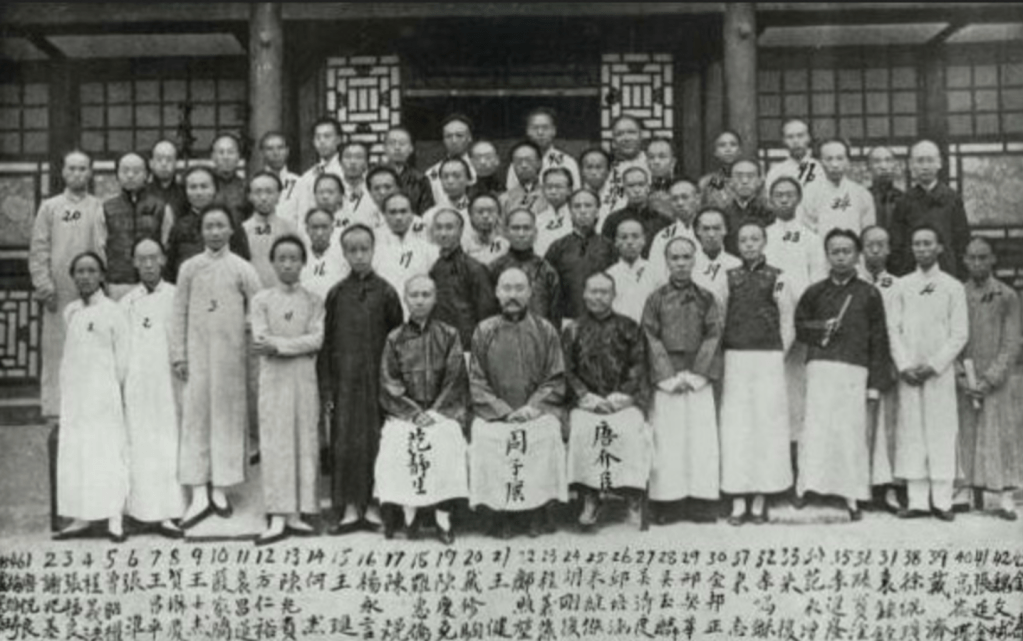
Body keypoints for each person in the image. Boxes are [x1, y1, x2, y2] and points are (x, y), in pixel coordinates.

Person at [171, 205, 263, 530]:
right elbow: (178, 312)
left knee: (226, 421)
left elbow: (259, 307)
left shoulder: (242, 268)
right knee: (196, 421)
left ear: (230, 230)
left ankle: (221, 489)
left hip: (230, 360)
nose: (214, 232)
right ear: (201, 231)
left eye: (220, 226)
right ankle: (198, 491)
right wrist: (179, 355)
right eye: (208, 226)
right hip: (196, 358)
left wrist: (246, 330)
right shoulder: (189, 268)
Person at [794, 229, 892, 520]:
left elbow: (879, 340)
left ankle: (852, 493)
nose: (840, 257)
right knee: (816, 429)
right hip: (820, 368)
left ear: (857, 255)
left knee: (850, 432)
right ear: (827, 256)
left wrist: (875, 385)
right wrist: (822, 327)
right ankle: (806, 486)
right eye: (835, 252)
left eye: (847, 251)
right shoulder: (814, 292)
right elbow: (799, 327)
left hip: (854, 369)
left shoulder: (869, 293)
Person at [469, 267, 567, 538]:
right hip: (496, 414)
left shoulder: (545, 330)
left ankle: (536, 510)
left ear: (530, 293)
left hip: (535, 413)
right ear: (497, 293)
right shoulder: (484, 330)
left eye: (519, 288)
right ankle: (500, 513)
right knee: (485, 437)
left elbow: (555, 377)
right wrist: (502, 411)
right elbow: (476, 380)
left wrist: (532, 408)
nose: (513, 295)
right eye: (507, 288)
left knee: (547, 433)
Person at [318, 225, 404, 532]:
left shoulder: (387, 292)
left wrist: (394, 385)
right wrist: (328, 389)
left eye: (364, 249)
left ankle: (375, 507)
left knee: (376, 443)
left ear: (373, 249)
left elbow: (398, 341)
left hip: (377, 383)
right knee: (345, 445)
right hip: (344, 384)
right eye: (352, 250)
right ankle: (350, 509)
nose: (359, 256)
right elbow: (327, 343)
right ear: (343, 253)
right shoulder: (337, 294)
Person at [377, 275, 470, 544]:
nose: (420, 300)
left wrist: (436, 412)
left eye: (426, 294)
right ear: (405, 299)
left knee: (448, 438)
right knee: (397, 440)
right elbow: (389, 381)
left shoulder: (449, 335)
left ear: (435, 298)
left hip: (442, 412)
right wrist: (413, 413)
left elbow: (455, 378)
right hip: (405, 414)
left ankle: (443, 517)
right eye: (414, 295)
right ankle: (410, 513)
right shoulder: (394, 338)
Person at [888, 225, 968, 520]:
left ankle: (943, 501)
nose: (922, 249)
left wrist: (934, 365)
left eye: (927, 243)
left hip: (939, 373)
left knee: (941, 431)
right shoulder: (902, 285)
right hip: (910, 372)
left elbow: (959, 333)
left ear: (940, 248)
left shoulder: (952, 286)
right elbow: (893, 329)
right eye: (917, 244)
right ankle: (917, 501)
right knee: (912, 432)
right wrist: (904, 365)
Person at [719, 220, 796, 525]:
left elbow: (788, 321)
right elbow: (720, 318)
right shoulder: (728, 278)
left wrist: (778, 355)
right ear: (737, 245)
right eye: (744, 240)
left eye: (755, 239)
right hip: (736, 359)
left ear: (764, 242)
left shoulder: (779, 277)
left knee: (766, 425)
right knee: (737, 426)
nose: (749, 244)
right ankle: (738, 498)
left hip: (768, 360)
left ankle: (762, 496)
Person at [642, 237, 723, 523]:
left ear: (694, 260)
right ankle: (669, 502)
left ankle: (701, 500)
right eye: (675, 258)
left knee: (700, 440)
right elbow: (650, 336)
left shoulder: (707, 297)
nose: (680, 263)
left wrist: (698, 375)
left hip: (698, 376)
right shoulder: (656, 299)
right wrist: (667, 376)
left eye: (686, 257)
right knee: (669, 440)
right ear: (666, 261)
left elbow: (714, 335)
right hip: (668, 378)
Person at [251, 235, 324, 545]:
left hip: (304, 380)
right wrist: (293, 346)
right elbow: (260, 340)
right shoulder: (262, 300)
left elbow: (317, 340)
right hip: (274, 381)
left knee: (304, 442)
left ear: (303, 262)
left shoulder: (314, 300)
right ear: (273, 262)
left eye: (294, 258)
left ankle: (298, 513)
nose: (288, 264)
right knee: (276, 443)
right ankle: (278, 515)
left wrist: (279, 346)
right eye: (282, 258)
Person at [53, 252, 130, 542]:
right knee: (76, 453)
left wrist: (111, 391)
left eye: (91, 270)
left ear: (101, 275)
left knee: (106, 452)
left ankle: (114, 518)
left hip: (103, 396)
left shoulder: (113, 311)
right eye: (80, 271)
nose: (85, 276)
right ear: (73, 276)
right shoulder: (70, 311)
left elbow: (122, 359)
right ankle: (80, 516)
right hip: (76, 396)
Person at [564, 272, 650, 529]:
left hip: (622, 401)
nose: (598, 297)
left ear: (614, 295)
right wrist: (585, 396)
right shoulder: (572, 329)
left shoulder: (629, 327)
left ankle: (632, 497)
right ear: (584, 294)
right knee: (582, 431)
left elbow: (639, 364)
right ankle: (590, 497)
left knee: (631, 431)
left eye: (604, 292)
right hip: (586, 403)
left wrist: (620, 396)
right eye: (593, 291)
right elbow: (566, 370)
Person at [28, 150, 106, 419]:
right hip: (59, 292)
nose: (77, 174)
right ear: (63, 172)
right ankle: (56, 413)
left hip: (90, 291)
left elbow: (102, 249)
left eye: (82, 168)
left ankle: (90, 411)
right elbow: (39, 249)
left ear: (90, 173)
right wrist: (45, 286)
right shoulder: (50, 207)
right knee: (57, 353)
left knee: (91, 350)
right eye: (72, 168)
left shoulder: (98, 207)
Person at [120, 239, 186, 539]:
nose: (148, 264)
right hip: (138, 385)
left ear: (163, 260)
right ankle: (138, 512)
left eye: (153, 258)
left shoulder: (176, 295)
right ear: (134, 263)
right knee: (138, 446)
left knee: (168, 444)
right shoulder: (127, 302)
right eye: (141, 258)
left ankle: (169, 513)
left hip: (168, 384)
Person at [956, 237, 1022, 521]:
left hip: (997, 379)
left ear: (993, 259)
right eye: (972, 257)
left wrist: (991, 378)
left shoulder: (1007, 295)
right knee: (968, 433)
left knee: (1000, 433)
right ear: (964, 260)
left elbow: (1011, 343)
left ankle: (1005, 496)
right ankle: (969, 490)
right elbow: (952, 338)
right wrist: (962, 376)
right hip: (967, 378)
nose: (977, 263)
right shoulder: (957, 293)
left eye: (983, 257)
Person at [764, 176, 827, 447]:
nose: (784, 199)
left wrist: (807, 320)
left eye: (789, 194)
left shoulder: (811, 238)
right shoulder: (763, 236)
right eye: (778, 195)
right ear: (770, 199)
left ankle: (798, 445)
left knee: (798, 386)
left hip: (801, 323)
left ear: (798, 198)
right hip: (768, 322)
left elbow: (818, 282)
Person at [857, 225, 903, 512]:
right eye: (869, 245)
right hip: (858, 362)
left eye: (881, 245)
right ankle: (859, 488)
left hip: (886, 362)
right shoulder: (853, 281)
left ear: (889, 249)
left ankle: (887, 489)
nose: (875, 250)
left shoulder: (898, 285)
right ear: (861, 250)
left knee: (887, 426)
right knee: (860, 425)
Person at [889, 140, 970, 278]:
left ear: (939, 163)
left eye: (930, 160)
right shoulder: (904, 202)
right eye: (920, 161)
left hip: (946, 269)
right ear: (911, 165)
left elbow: (961, 241)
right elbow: (897, 243)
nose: (925, 166)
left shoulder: (952, 199)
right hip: (911, 270)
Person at [429, 208, 498, 348]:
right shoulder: (435, 267)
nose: (443, 233)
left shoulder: (474, 269)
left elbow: (487, 314)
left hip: (467, 344)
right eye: (439, 228)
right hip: (439, 343)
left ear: (460, 231)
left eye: (449, 228)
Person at [165, 166, 250, 281]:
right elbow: (170, 268)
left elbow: (243, 262)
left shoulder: (232, 222)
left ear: (215, 189)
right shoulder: (179, 226)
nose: (199, 192)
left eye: (204, 187)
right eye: (193, 187)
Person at [545, 188, 616, 323]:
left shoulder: (609, 247)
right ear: (570, 212)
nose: (583, 211)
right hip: (567, 320)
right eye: (577, 206)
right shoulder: (558, 248)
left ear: (597, 211)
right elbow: (547, 288)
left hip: (603, 320)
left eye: (588, 206)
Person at [491, 208, 562, 328]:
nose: (521, 234)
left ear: (535, 232)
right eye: (515, 228)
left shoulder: (547, 271)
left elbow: (555, 316)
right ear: (506, 232)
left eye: (526, 228)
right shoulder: (494, 269)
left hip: (539, 335)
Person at [374, 192, 439, 317]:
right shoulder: (374, 250)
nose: (398, 217)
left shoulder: (430, 251)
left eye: (403, 211)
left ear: (412, 214)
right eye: (392, 212)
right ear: (384, 215)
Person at [798, 139, 875, 239]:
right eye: (829, 159)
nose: (835, 164)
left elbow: (868, 232)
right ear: (820, 162)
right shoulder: (808, 194)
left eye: (840, 158)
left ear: (848, 161)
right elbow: (805, 231)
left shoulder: (862, 194)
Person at [242, 172, 297, 289]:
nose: (263, 198)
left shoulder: (291, 229)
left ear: (278, 195)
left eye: (269, 192)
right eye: (258, 192)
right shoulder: (242, 231)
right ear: (250, 196)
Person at [507, 107, 580, 193]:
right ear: (527, 131)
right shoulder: (520, 162)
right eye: (535, 128)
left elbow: (575, 193)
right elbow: (511, 192)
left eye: (545, 128)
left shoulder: (565, 161)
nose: (540, 132)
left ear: (554, 131)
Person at [288, 117, 344, 228]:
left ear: (338, 139)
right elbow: (303, 212)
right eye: (318, 137)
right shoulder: (308, 176)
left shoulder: (347, 173)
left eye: (327, 136)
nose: (322, 141)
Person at [600, 167, 669, 257]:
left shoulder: (663, 221)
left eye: (641, 185)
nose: (636, 190)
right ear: (624, 189)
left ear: (648, 187)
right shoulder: (613, 221)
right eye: (631, 186)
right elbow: (605, 253)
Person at [647, 178, 700, 281]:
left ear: (697, 199)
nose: (680, 203)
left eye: (685, 197)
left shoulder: (711, 230)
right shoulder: (663, 236)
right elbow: (655, 275)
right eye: (675, 199)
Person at [690, 207, 742, 312]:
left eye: (716, 228)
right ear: (697, 231)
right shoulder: (688, 264)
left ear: (725, 230)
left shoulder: (736, 265)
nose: (711, 234)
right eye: (706, 229)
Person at [607, 220, 658, 324]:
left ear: (643, 240)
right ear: (616, 242)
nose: (630, 242)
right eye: (624, 237)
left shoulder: (655, 271)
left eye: (635, 237)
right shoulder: (609, 274)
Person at [721, 159, 772, 255]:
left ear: (760, 181)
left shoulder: (770, 214)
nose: (745, 181)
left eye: (750, 176)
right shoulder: (722, 215)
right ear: (729, 182)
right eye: (739, 176)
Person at [426, 114, 476, 205]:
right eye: (448, 136)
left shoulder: (478, 169)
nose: (454, 141)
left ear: (469, 138)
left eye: (459, 135)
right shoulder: (432, 173)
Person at [299, 207, 349, 300]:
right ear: (307, 230)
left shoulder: (344, 257)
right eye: (315, 227)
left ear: (332, 229)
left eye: (324, 227)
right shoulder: (298, 257)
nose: (319, 233)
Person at [383, 126, 434, 215]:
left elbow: (427, 214)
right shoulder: (373, 177)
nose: (397, 147)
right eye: (392, 143)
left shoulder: (420, 180)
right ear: (384, 148)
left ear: (411, 149)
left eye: (402, 143)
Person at [605, 115, 649, 211]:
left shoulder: (652, 164)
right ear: (613, 140)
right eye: (619, 134)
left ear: (642, 135)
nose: (626, 138)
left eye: (631, 132)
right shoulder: (606, 166)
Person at [765, 119, 821, 193]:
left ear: (809, 138)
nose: (795, 141)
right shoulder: (776, 172)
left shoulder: (820, 169)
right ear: (784, 140)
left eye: (800, 136)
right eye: (790, 137)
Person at [422, 157, 472, 235]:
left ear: (468, 179)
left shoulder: (475, 212)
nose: (450, 181)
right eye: (445, 177)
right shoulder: (430, 215)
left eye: (457, 176)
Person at [259, 131, 300, 223]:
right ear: (262, 152)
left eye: (280, 148)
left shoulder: (299, 182)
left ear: (287, 151)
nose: (276, 153)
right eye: (270, 149)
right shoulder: (255, 183)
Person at [501, 141, 549, 217]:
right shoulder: (504, 200)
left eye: (529, 160)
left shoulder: (549, 195)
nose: (524, 165)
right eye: (518, 161)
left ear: (540, 163)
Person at [337, 142, 379, 228]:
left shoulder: (375, 192)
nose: (353, 162)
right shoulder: (331, 189)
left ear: (366, 163)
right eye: (348, 157)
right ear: (340, 162)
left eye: (358, 157)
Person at [533, 167, 574, 256]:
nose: (553, 191)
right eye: (549, 187)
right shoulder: (537, 220)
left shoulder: (576, 218)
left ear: (569, 190)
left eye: (558, 187)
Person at [210, 134, 248, 224]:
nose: (226, 157)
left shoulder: (246, 186)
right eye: (221, 152)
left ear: (238, 156)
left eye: (230, 152)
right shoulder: (204, 185)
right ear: (213, 157)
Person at [699, 130, 742, 209]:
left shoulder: (749, 180)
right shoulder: (706, 182)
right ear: (715, 152)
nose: (728, 149)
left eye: (733, 144)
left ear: (740, 150)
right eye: (722, 145)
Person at [462, 193, 509, 266]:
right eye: (480, 212)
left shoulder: (505, 246)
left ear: (498, 215)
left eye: (491, 211)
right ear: (470, 215)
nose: (485, 216)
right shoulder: (461, 246)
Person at [145, 139, 187, 218]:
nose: (164, 164)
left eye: (169, 159)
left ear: (176, 163)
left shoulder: (185, 194)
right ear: (151, 163)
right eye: (159, 159)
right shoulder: (142, 193)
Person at [578, 147, 618, 230]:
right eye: (589, 167)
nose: (594, 172)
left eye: (598, 167)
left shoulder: (619, 199)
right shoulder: (574, 198)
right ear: (581, 171)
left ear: (608, 171)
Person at [867, 145, 903, 232]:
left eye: (888, 160)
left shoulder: (903, 198)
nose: (883, 166)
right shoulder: (863, 197)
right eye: (877, 161)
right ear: (869, 166)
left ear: (894, 165)